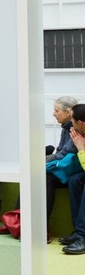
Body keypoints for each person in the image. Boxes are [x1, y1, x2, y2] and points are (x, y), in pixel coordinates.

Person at [0, 96, 79, 239]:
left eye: (56, 110)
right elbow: (60, 151)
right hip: (64, 168)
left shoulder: (76, 128)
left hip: (72, 171)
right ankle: (17, 221)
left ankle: (42, 228)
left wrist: (39, 162)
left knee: (44, 177)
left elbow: (64, 153)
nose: (53, 113)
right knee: (31, 175)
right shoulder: (65, 127)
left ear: (68, 112)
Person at [59, 104, 85, 254]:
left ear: (81, 122)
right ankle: (78, 231)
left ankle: (83, 236)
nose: (71, 124)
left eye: (73, 121)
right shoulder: (79, 133)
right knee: (75, 180)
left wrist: (81, 148)